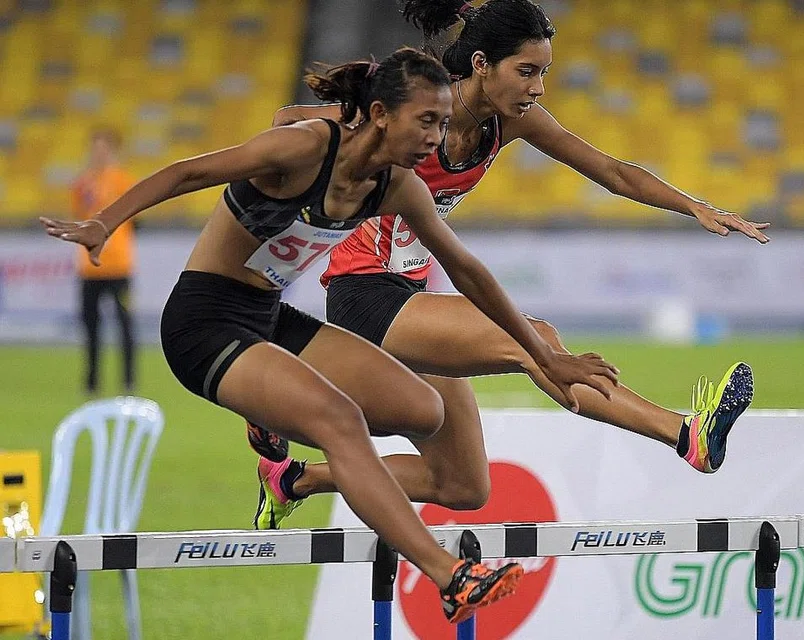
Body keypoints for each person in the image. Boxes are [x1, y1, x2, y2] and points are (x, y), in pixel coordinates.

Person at [41, 47, 619, 624]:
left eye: (443, 123)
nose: (435, 139)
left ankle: (277, 426)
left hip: (269, 317)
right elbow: (188, 172)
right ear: (381, 114)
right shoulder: (305, 149)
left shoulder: (398, 187)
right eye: (426, 121)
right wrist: (106, 221)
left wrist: (543, 356)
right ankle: (449, 576)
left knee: (424, 409)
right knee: (339, 421)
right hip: (205, 322)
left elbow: (468, 271)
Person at [249, 0, 767, 526]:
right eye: (526, 71)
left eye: (543, 73)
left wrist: (694, 206)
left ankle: (294, 480)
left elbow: (612, 171)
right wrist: (286, 203)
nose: (537, 87)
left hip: (413, 300)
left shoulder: (511, 121)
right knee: (534, 341)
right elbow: (287, 120)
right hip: (364, 296)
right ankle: (685, 435)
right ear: (481, 65)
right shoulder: (415, 111)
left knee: (463, 485)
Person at [70, 128, 138, 396]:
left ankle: (128, 381)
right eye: (95, 148)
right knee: (91, 327)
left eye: (104, 148)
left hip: (119, 267)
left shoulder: (124, 180)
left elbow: (136, 216)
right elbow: (79, 216)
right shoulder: (82, 184)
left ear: (112, 151)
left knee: (125, 325)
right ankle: (92, 383)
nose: (99, 153)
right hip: (90, 268)